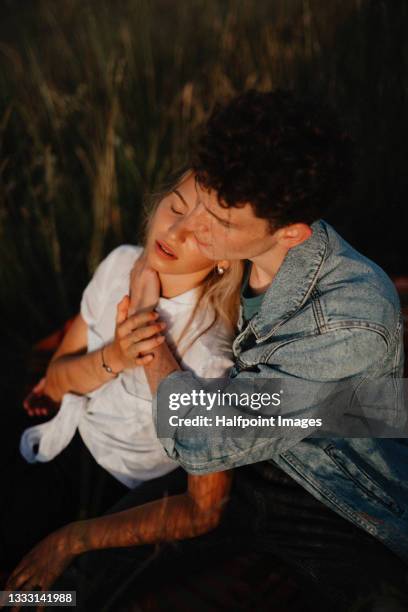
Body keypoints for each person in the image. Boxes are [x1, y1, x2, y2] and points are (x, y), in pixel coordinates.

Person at [6, 90, 408, 612]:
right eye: (201, 201)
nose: (188, 227)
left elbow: (203, 436)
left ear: (289, 232)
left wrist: (144, 329)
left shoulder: (347, 322)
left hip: (333, 501)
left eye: (218, 222)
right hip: (236, 472)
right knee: (60, 593)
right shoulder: (234, 255)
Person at [1, 169, 242, 573]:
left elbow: (204, 506)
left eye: (202, 232)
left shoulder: (209, 354)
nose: (177, 231)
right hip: (57, 431)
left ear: (224, 257)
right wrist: (115, 354)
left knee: (26, 591)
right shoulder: (120, 264)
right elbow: (57, 382)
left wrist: (145, 339)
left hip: (106, 488)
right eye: (176, 207)